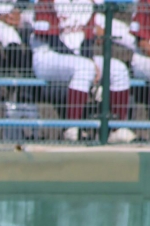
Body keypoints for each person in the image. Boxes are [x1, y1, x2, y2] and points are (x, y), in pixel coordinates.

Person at [31, 0, 136, 143]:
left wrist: (90, 61)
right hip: (47, 56)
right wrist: (89, 64)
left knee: (118, 69)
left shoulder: (85, 3)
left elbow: (87, 41)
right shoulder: (46, 2)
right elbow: (52, 40)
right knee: (84, 67)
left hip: (78, 57)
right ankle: (71, 128)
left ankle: (117, 128)